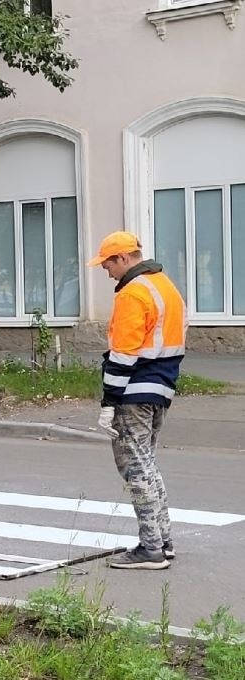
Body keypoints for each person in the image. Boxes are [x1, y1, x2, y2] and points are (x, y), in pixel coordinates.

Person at [88, 231, 186, 570]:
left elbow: (123, 355)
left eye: (108, 264)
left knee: (135, 468)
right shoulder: (165, 286)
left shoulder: (133, 293)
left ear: (124, 258)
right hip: (160, 389)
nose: (106, 271)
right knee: (148, 464)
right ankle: (164, 540)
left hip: (133, 391)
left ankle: (150, 549)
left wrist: (108, 402)